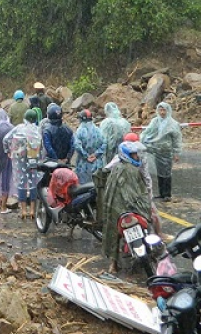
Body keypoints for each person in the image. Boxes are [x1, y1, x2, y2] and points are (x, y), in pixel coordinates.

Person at [102, 141, 153, 273]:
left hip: (115, 208)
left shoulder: (116, 168)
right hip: (128, 207)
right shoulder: (132, 170)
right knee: (150, 223)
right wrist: (146, 206)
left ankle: (113, 263)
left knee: (112, 234)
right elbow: (140, 192)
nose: (136, 157)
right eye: (134, 155)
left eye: (136, 154)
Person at [4, 109, 43, 219]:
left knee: (22, 183)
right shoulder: (38, 129)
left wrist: (8, 151)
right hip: (33, 160)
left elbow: (6, 139)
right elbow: (42, 146)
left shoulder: (19, 128)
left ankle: (23, 211)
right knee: (33, 183)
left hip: (20, 160)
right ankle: (32, 210)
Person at [140, 102, 182, 201]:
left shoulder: (173, 124)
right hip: (156, 150)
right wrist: (143, 140)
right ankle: (161, 193)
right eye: (160, 110)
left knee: (167, 172)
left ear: (168, 111)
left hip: (167, 151)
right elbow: (148, 132)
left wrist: (176, 153)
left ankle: (167, 194)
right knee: (159, 172)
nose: (162, 112)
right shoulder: (155, 121)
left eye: (164, 110)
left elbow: (176, 139)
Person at [73, 109, 106, 184]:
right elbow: (104, 143)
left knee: (84, 187)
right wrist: (96, 154)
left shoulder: (80, 130)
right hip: (97, 162)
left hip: (84, 164)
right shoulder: (98, 130)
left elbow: (77, 146)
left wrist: (86, 156)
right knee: (97, 186)